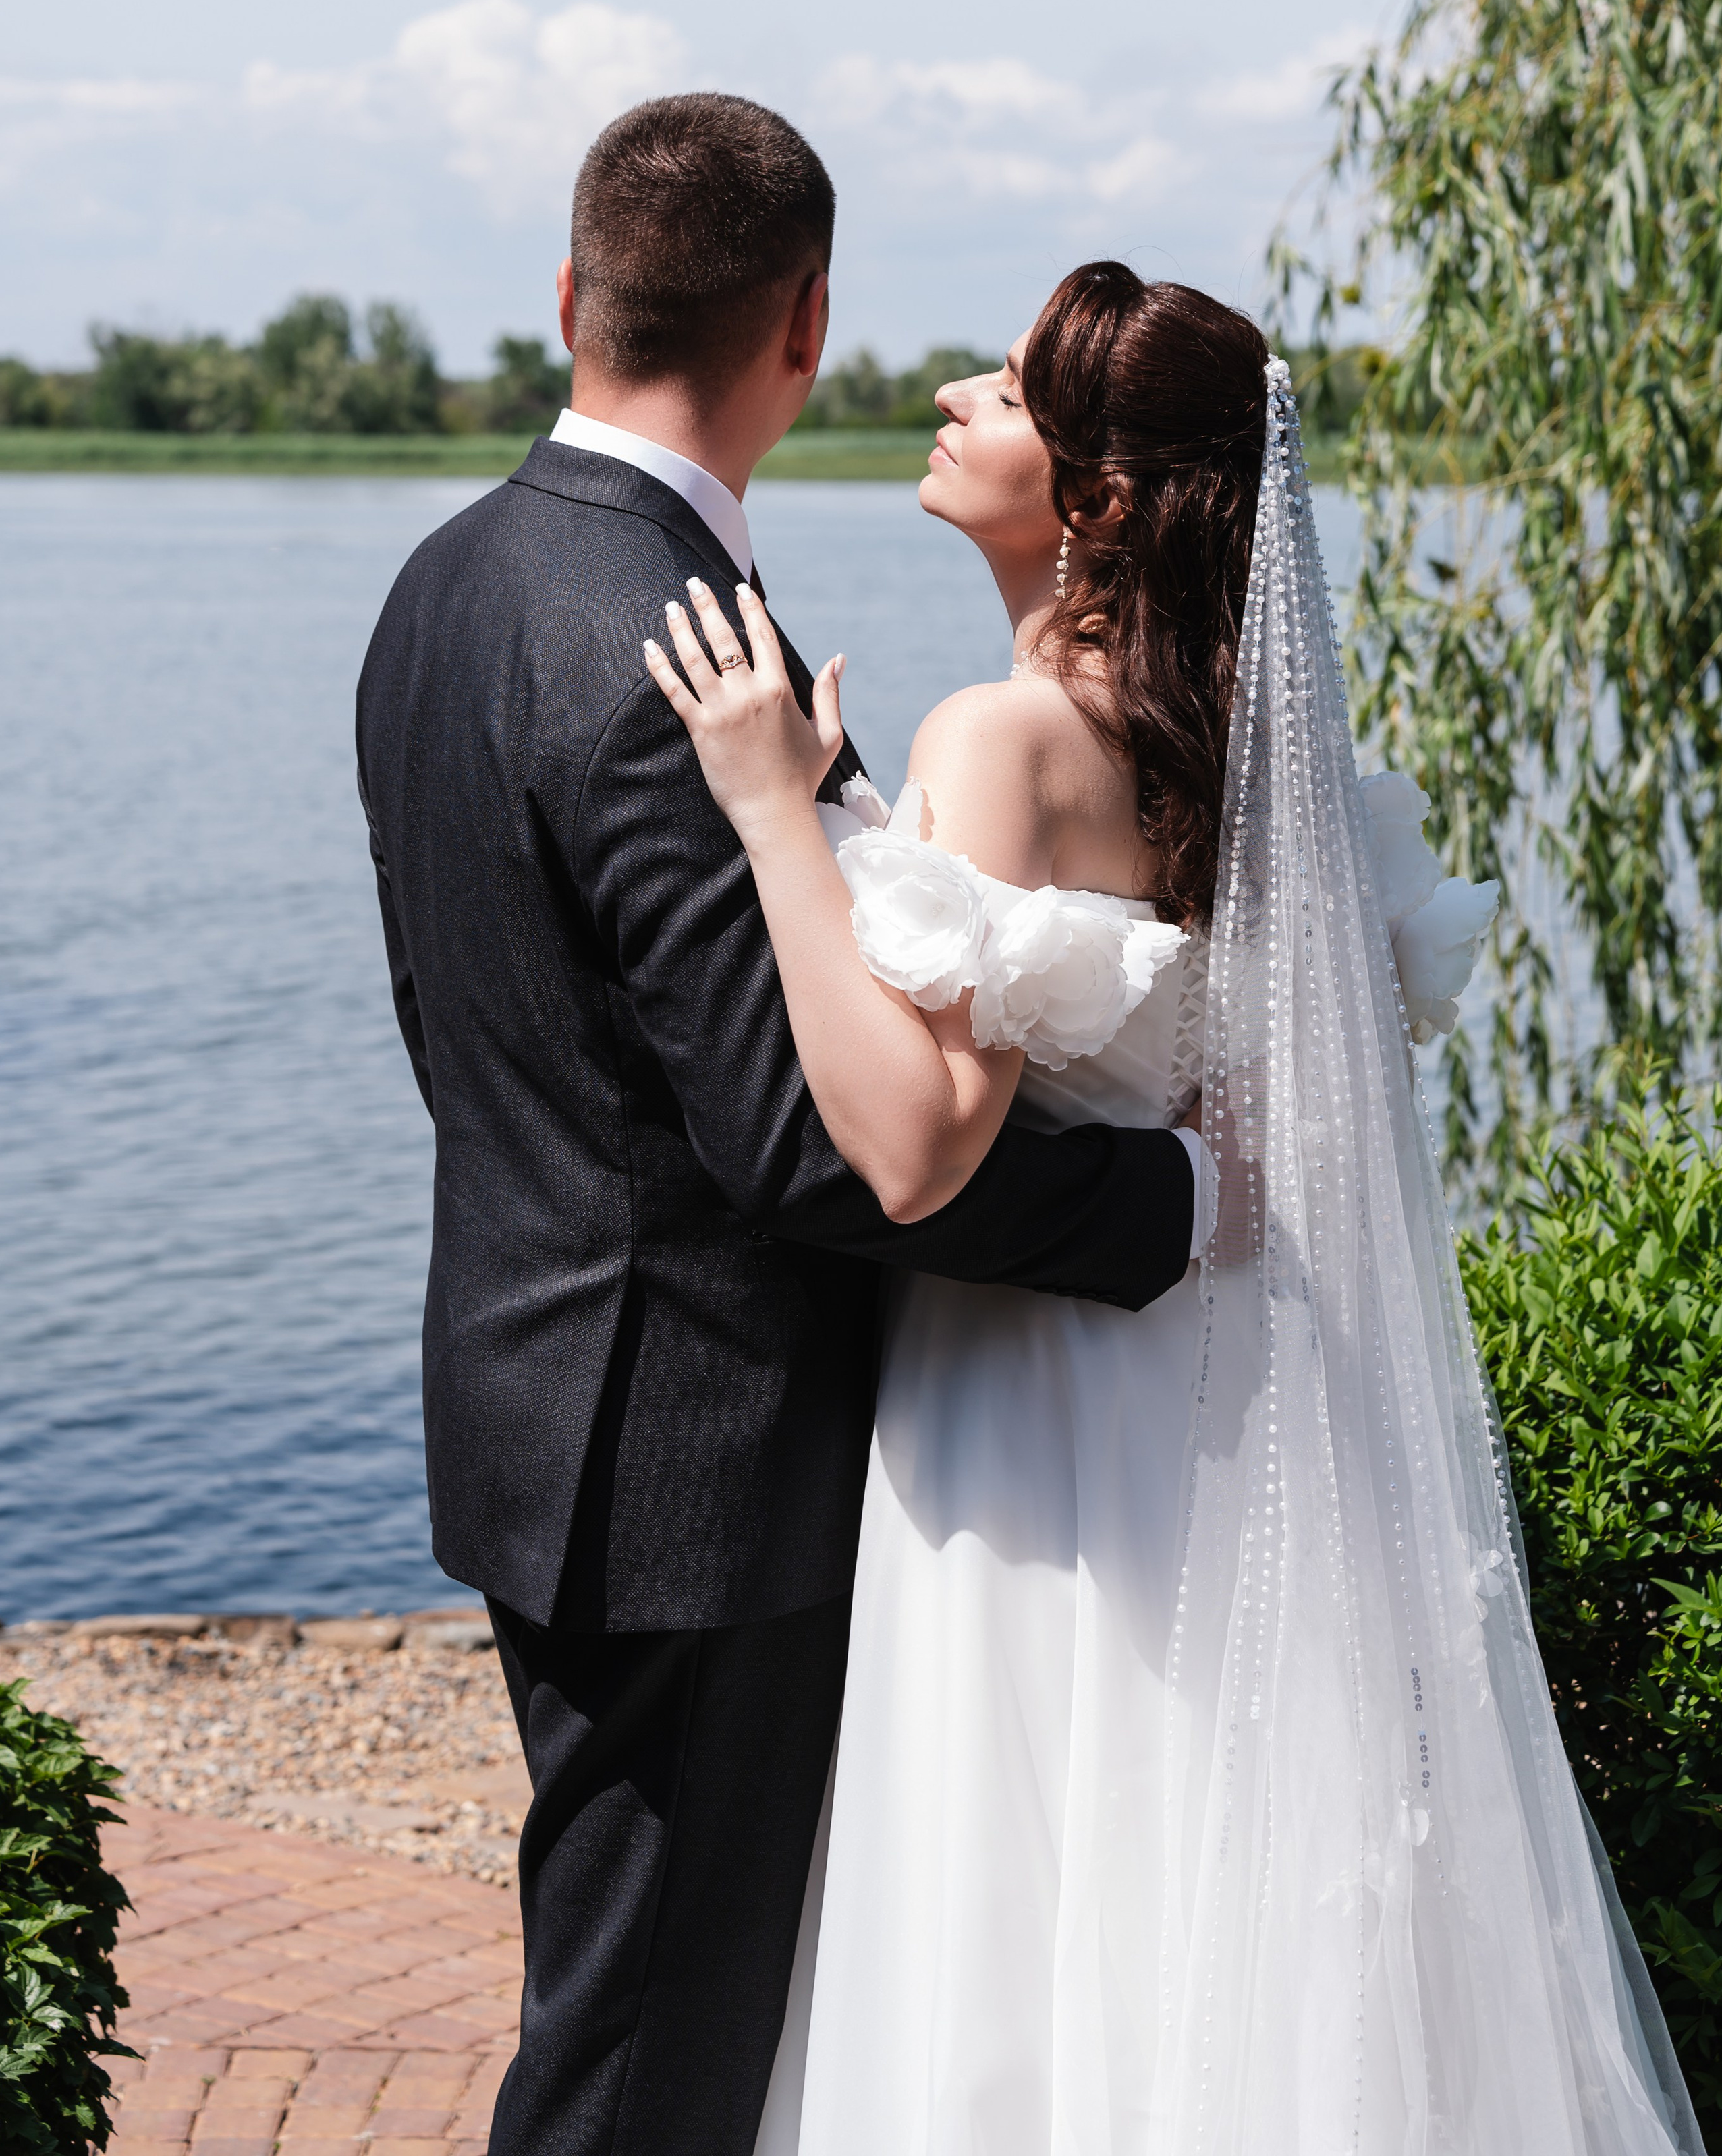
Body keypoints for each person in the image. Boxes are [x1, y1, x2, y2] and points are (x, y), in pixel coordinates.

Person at [650, 266, 1702, 2154]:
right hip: (1227, 1409)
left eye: (1013, 389)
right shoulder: (1249, 740)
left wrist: (769, 818)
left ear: (1104, 501)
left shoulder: (1003, 738)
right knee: (1198, 1877)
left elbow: (914, 1144)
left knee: (1025, 1888)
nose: (959, 395)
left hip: (1033, 1409)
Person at [354, 98, 1200, 2156]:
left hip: (535, 1394)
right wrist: (1164, 1209)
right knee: (649, 2059)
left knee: (629, 1996)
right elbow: (818, 1154)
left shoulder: (446, 583)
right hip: (694, 1465)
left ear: (569, 296)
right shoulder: (675, 642)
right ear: (804, 324)